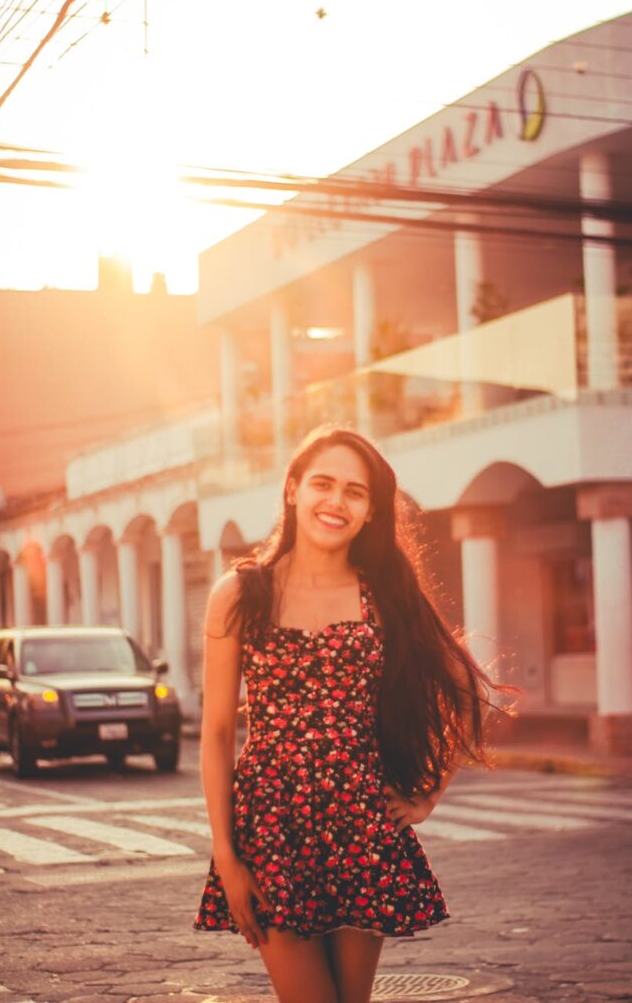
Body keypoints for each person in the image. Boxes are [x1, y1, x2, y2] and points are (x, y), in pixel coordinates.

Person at [193, 424, 520, 1003]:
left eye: (355, 491)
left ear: (371, 511)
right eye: (323, 483)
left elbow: (465, 690)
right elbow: (217, 733)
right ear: (292, 491)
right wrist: (226, 854)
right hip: (271, 827)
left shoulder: (384, 594)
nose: (336, 501)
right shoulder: (241, 593)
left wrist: (426, 798)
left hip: (359, 824)